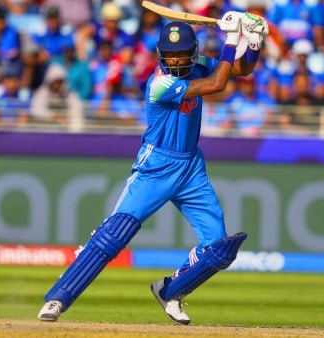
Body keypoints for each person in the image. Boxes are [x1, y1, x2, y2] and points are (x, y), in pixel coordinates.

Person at [37, 12, 269, 325]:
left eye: (181, 55)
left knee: (218, 247)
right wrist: (231, 37)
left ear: (193, 53)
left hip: (190, 167)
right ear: (161, 56)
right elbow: (217, 84)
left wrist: (253, 41)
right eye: (170, 56)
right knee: (113, 236)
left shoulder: (199, 64)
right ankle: (57, 299)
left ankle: (171, 291)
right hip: (156, 165)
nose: (175, 62)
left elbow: (240, 69)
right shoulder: (159, 84)